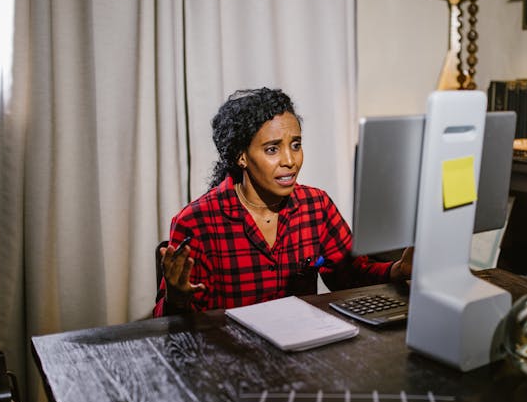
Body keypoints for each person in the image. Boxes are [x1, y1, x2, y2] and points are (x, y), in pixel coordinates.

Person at [153, 88, 413, 316]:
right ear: (240, 156)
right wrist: (176, 300)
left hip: (302, 354)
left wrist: (398, 270)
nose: (290, 160)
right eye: (272, 149)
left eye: (296, 144)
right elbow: (173, 330)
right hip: (232, 358)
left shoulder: (316, 205)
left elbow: (350, 275)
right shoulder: (197, 222)